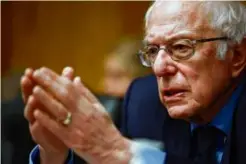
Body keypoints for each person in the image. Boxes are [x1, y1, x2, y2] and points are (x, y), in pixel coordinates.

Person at [22, 1, 246, 164]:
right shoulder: (143, 103)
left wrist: (124, 154)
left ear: (236, 56)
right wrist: (54, 153)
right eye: (152, 50)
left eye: (181, 47)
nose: (159, 68)